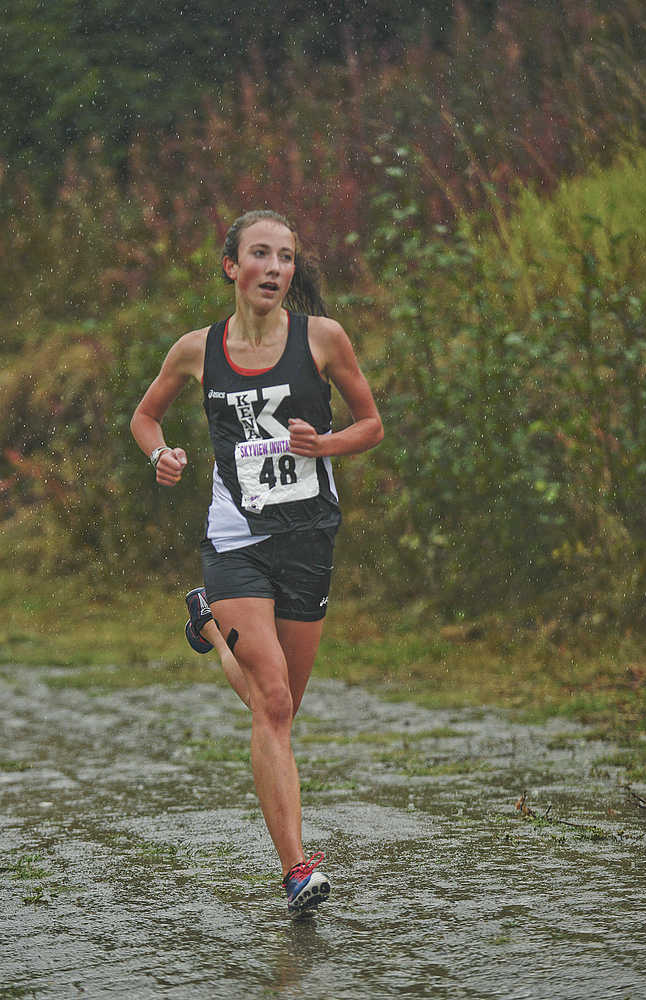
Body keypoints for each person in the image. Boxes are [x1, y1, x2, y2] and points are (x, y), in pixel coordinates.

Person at [130, 209, 383, 913]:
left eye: (287, 257)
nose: (276, 268)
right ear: (231, 267)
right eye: (261, 255)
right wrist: (163, 455)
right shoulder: (196, 350)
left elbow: (372, 424)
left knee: (283, 706)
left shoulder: (324, 339)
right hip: (235, 537)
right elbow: (144, 416)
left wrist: (323, 446)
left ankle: (208, 627)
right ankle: (297, 870)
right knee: (270, 702)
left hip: (308, 539)